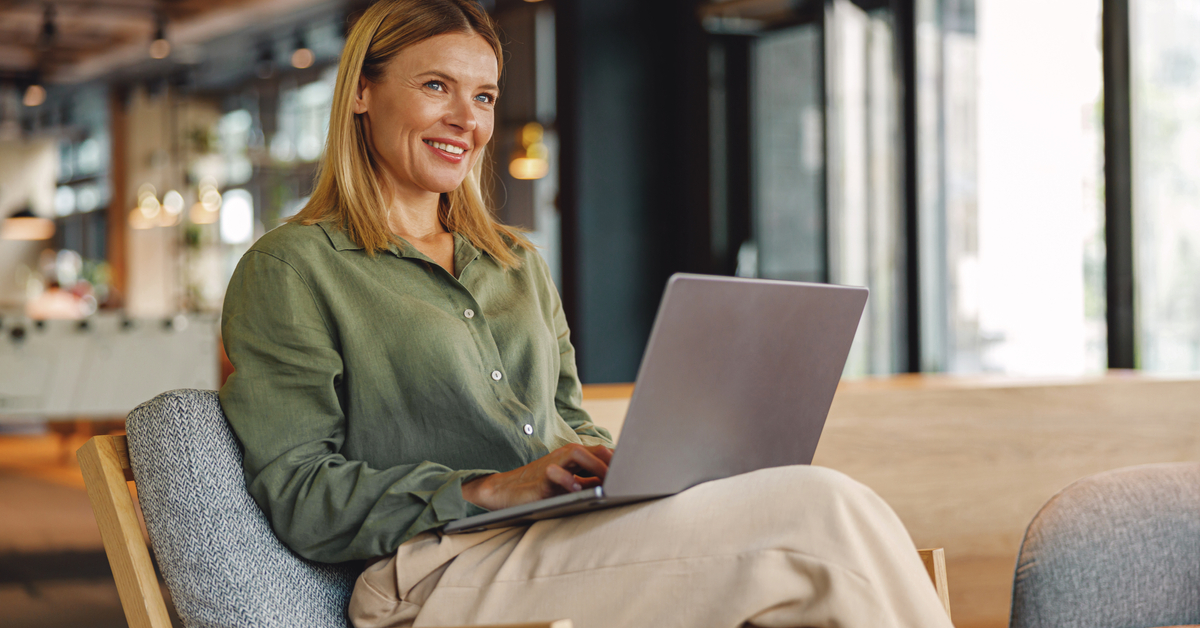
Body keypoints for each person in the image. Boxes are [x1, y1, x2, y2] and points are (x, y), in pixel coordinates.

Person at [218, 1, 955, 626]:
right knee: (816, 514)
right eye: (437, 86)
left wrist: (630, 469)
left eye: (483, 96)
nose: (465, 120)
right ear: (362, 93)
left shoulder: (513, 261)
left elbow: (569, 422)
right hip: (433, 573)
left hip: (557, 539)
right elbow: (299, 493)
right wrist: (487, 488)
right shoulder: (293, 269)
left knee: (826, 515)